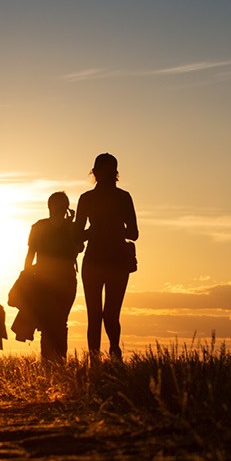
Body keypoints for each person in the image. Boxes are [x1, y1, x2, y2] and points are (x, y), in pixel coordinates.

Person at [75, 153, 138, 361]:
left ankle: (107, 354)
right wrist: (111, 231)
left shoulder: (88, 198)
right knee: (106, 315)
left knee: (100, 316)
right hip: (110, 261)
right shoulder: (122, 197)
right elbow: (134, 233)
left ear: (93, 172)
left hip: (104, 260)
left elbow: (77, 234)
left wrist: (95, 232)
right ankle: (108, 355)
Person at [24, 191, 83, 363]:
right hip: (52, 279)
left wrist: (73, 226)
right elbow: (78, 249)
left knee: (53, 322)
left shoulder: (62, 227)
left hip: (57, 278)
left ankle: (52, 361)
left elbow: (78, 248)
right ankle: (55, 361)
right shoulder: (41, 227)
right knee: (55, 322)